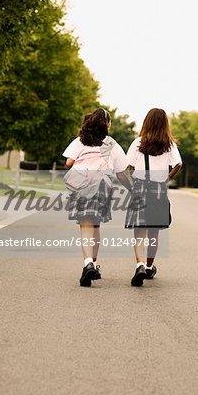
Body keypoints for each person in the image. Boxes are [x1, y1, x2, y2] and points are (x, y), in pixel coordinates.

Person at [63, 108, 132, 287]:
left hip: (82, 183)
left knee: (85, 225)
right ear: (107, 124)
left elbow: (68, 162)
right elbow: (121, 173)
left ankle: (88, 264)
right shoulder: (111, 144)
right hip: (102, 183)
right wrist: (132, 190)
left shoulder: (81, 140)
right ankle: (93, 262)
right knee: (95, 224)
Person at [125, 108, 182, 286]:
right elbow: (178, 164)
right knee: (154, 233)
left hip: (141, 188)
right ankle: (149, 267)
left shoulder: (138, 143)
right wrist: (167, 178)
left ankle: (140, 264)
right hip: (159, 189)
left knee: (139, 232)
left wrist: (136, 176)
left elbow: (128, 165)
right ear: (165, 124)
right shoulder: (169, 144)